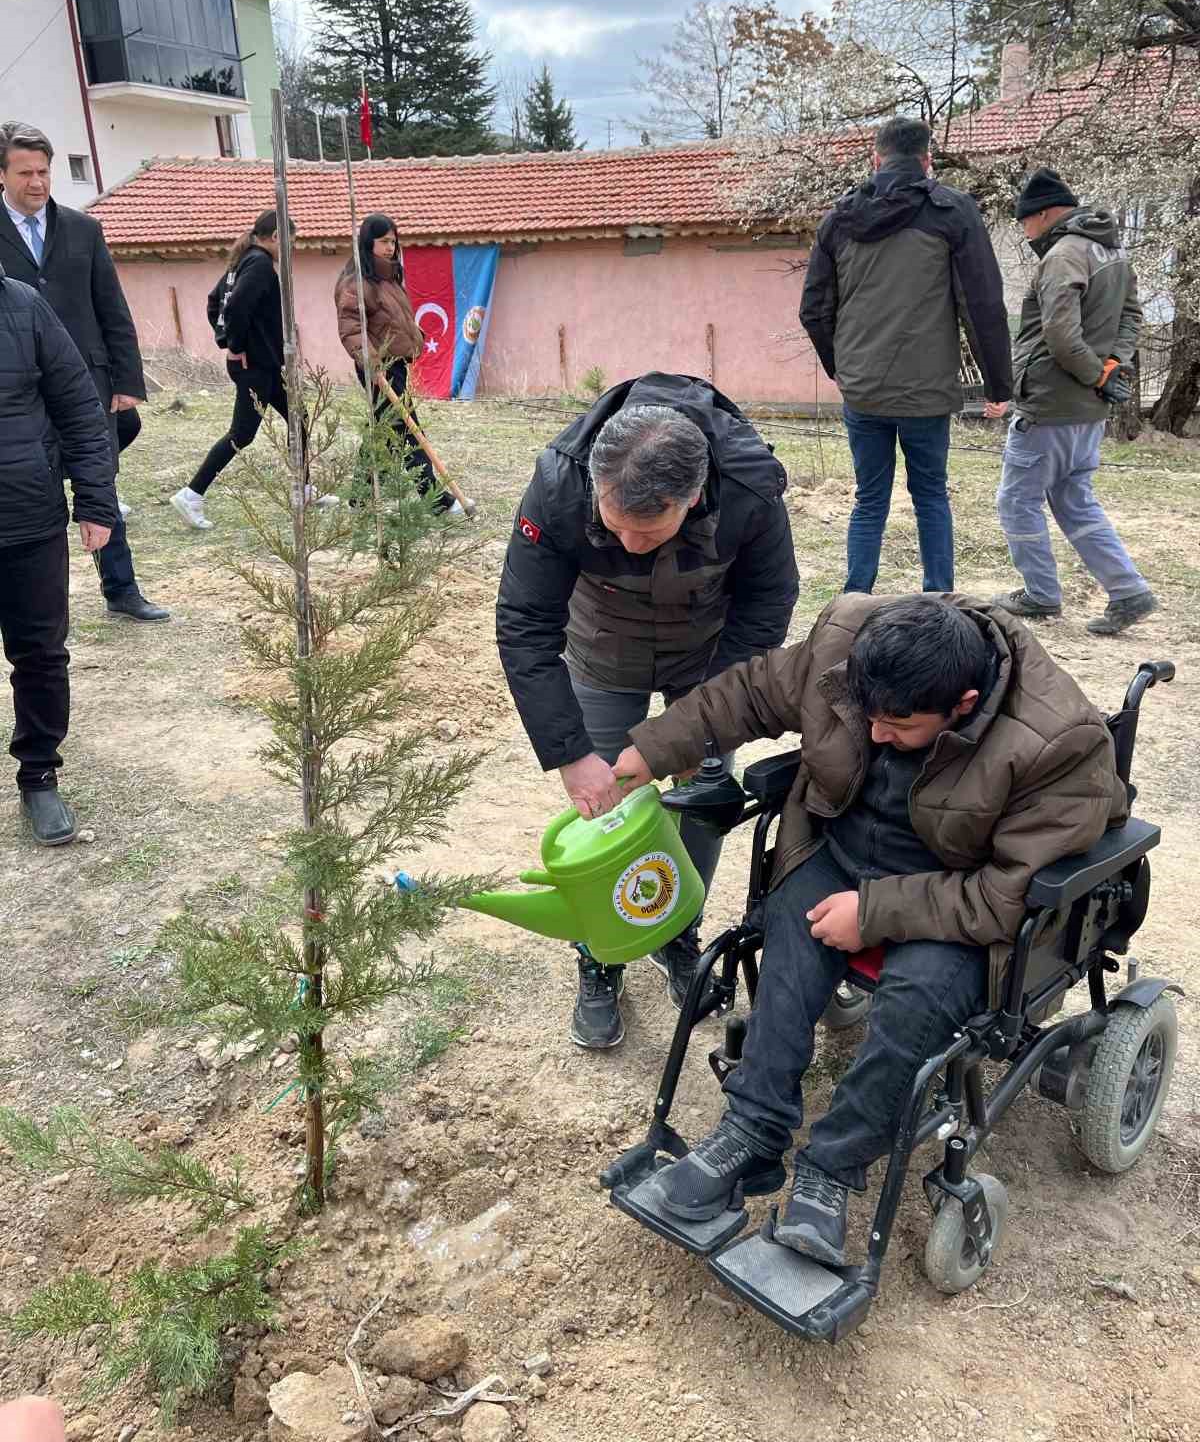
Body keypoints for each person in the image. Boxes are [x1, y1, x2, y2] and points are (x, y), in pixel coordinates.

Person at [611, 593, 1122, 1266]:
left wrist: (876, 912)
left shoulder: (1057, 740)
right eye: (868, 717)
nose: (878, 735)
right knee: (791, 933)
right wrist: (647, 751)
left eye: (900, 726)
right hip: (841, 849)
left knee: (916, 999)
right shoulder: (846, 639)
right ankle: (754, 1127)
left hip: (957, 894)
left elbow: (1007, 896)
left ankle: (832, 1169)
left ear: (963, 704)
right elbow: (748, 694)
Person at [496, 373, 799, 1050]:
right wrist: (572, 753)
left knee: (700, 794)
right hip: (603, 650)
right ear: (595, 487)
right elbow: (524, 622)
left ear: (692, 497)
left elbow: (768, 602)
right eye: (615, 526)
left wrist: (708, 720)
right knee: (606, 809)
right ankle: (599, 957)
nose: (631, 545)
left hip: (707, 653)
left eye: (650, 529)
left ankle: (674, 931)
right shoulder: (560, 481)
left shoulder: (749, 487)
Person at [799, 116, 1012, 595]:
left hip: (863, 391)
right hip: (928, 390)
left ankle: (855, 599)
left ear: (876, 159)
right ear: (927, 160)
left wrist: (843, 369)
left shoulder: (838, 219)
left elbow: (813, 310)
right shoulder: (954, 212)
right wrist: (999, 383)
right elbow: (981, 305)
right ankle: (938, 598)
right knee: (931, 496)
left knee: (869, 499)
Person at [0, 122, 168, 623]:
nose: (37, 182)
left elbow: (112, 307)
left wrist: (127, 381)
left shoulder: (83, 229)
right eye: (25, 172)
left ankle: (122, 589)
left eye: (44, 172)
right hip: (21, 391)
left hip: (87, 385)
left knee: (102, 487)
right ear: (2, 174)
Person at [993, 168, 1156, 637]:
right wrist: (1109, 370)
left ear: (1043, 214)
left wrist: (1094, 373)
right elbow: (1132, 316)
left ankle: (1040, 595)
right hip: (1088, 406)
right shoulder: (1112, 251)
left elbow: (1060, 336)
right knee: (1074, 499)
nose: (1024, 233)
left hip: (1050, 401)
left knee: (1016, 501)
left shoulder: (1064, 255)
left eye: (1024, 223)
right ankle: (1128, 591)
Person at [0, 261, 119, 844]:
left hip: (27, 519)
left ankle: (39, 775)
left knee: (41, 655)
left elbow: (79, 408)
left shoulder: (23, 307)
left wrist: (95, 502)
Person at [171, 210, 335, 528]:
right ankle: (191, 494)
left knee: (297, 418)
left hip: (267, 364)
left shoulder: (244, 261)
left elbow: (212, 301)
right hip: (255, 365)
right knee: (242, 433)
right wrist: (235, 346)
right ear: (276, 237)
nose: (292, 248)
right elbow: (233, 306)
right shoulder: (259, 265)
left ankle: (302, 491)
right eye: (291, 241)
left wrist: (231, 341)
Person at [333, 213, 459, 514]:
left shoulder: (388, 278)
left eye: (393, 241)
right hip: (379, 368)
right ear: (368, 243)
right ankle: (437, 501)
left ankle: (360, 498)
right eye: (383, 241)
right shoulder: (357, 282)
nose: (390, 247)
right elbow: (352, 329)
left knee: (386, 434)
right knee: (409, 431)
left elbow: (392, 321)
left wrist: (413, 336)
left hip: (395, 365)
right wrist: (373, 365)